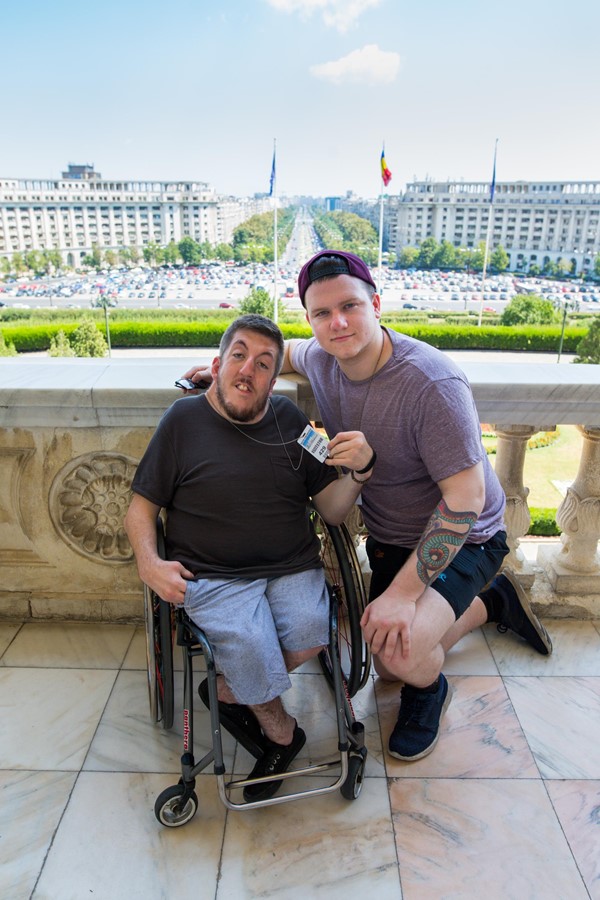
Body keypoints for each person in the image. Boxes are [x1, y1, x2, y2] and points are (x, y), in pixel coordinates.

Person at [182, 252, 552, 763]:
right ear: (310, 319)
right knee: (392, 648)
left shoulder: (432, 383)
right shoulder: (323, 356)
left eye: (350, 307)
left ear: (376, 304)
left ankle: (430, 691)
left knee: (393, 650)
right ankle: (494, 604)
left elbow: (466, 500)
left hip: (466, 538)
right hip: (390, 535)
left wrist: (403, 596)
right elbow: (285, 353)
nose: (337, 323)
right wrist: (229, 371)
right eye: (321, 313)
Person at [125, 314, 373, 801]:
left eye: (263, 364)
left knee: (310, 627)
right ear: (217, 365)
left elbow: (332, 509)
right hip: (211, 575)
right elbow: (141, 508)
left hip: (291, 566)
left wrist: (363, 470)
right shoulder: (183, 421)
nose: (247, 370)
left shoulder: (292, 422)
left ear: (273, 379)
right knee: (245, 638)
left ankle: (230, 690)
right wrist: (149, 564)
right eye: (238, 356)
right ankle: (283, 734)